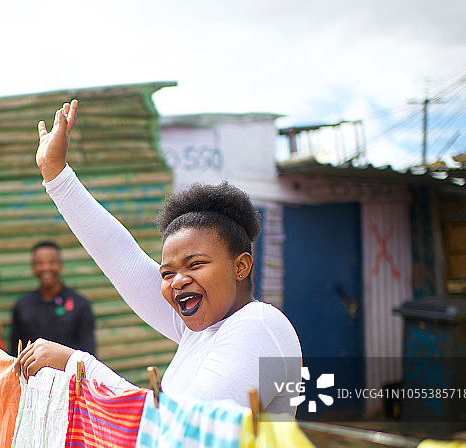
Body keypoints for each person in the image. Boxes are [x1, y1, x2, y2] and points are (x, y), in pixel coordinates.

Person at [16, 100, 302, 414]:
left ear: (241, 266)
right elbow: (120, 256)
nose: (178, 280)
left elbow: (178, 428)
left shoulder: (258, 328)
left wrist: (77, 365)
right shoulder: (201, 329)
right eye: (167, 273)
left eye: (195, 264)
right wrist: (55, 175)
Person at [10, 241, 96, 355]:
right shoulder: (22, 306)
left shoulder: (80, 305)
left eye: (52, 262)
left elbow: (89, 355)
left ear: (61, 264)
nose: (46, 268)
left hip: (70, 372)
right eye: (39, 263)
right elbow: (16, 353)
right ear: (33, 266)